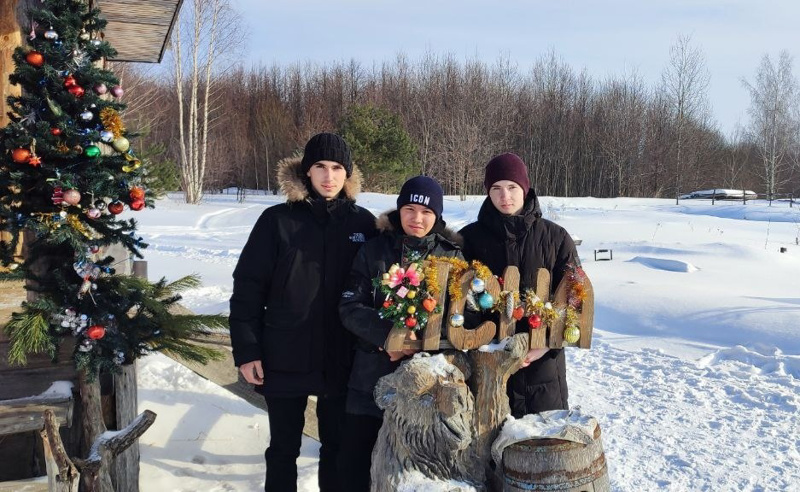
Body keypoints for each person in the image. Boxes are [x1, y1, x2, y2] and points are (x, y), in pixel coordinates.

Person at [228, 133, 377, 492]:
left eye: (338, 168)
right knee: (283, 449)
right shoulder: (277, 221)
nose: (329, 176)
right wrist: (247, 351)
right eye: (321, 167)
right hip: (284, 353)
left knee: (337, 449)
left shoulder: (363, 224)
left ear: (348, 174)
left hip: (341, 357)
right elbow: (248, 287)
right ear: (306, 172)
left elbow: (379, 289)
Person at [337, 175, 464, 491]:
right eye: (409, 209)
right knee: (356, 464)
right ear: (399, 211)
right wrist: (388, 339)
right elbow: (350, 306)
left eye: (426, 213)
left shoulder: (452, 257)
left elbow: (465, 318)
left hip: (427, 389)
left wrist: (424, 346)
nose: (417, 219)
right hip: (370, 380)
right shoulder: (373, 251)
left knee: (414, 473)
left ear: (437, 216)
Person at [459, 152, 579, 417]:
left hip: (543, 369)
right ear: (487, 192)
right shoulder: (469, 239)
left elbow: (575, 300)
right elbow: (458, 302)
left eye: (512, 187)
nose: (505, 197)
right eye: (496, 189)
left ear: (525, 189)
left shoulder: (556, 238)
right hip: (488, 365)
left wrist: (546, 344)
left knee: (542, 443)